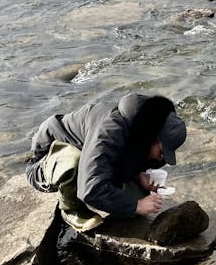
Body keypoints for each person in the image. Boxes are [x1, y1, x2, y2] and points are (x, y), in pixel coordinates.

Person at [26, 92, 187, 227]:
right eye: (162, 151)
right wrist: (136, 206)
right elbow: (90, 189)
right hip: (45, 159)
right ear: (153, 137)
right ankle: (71, 209)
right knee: (73, 161)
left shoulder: (141, 127)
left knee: (135, 200)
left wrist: (138, 175)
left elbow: (124, 156)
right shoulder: (110, 131)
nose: (162, 158)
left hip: (86, 154)